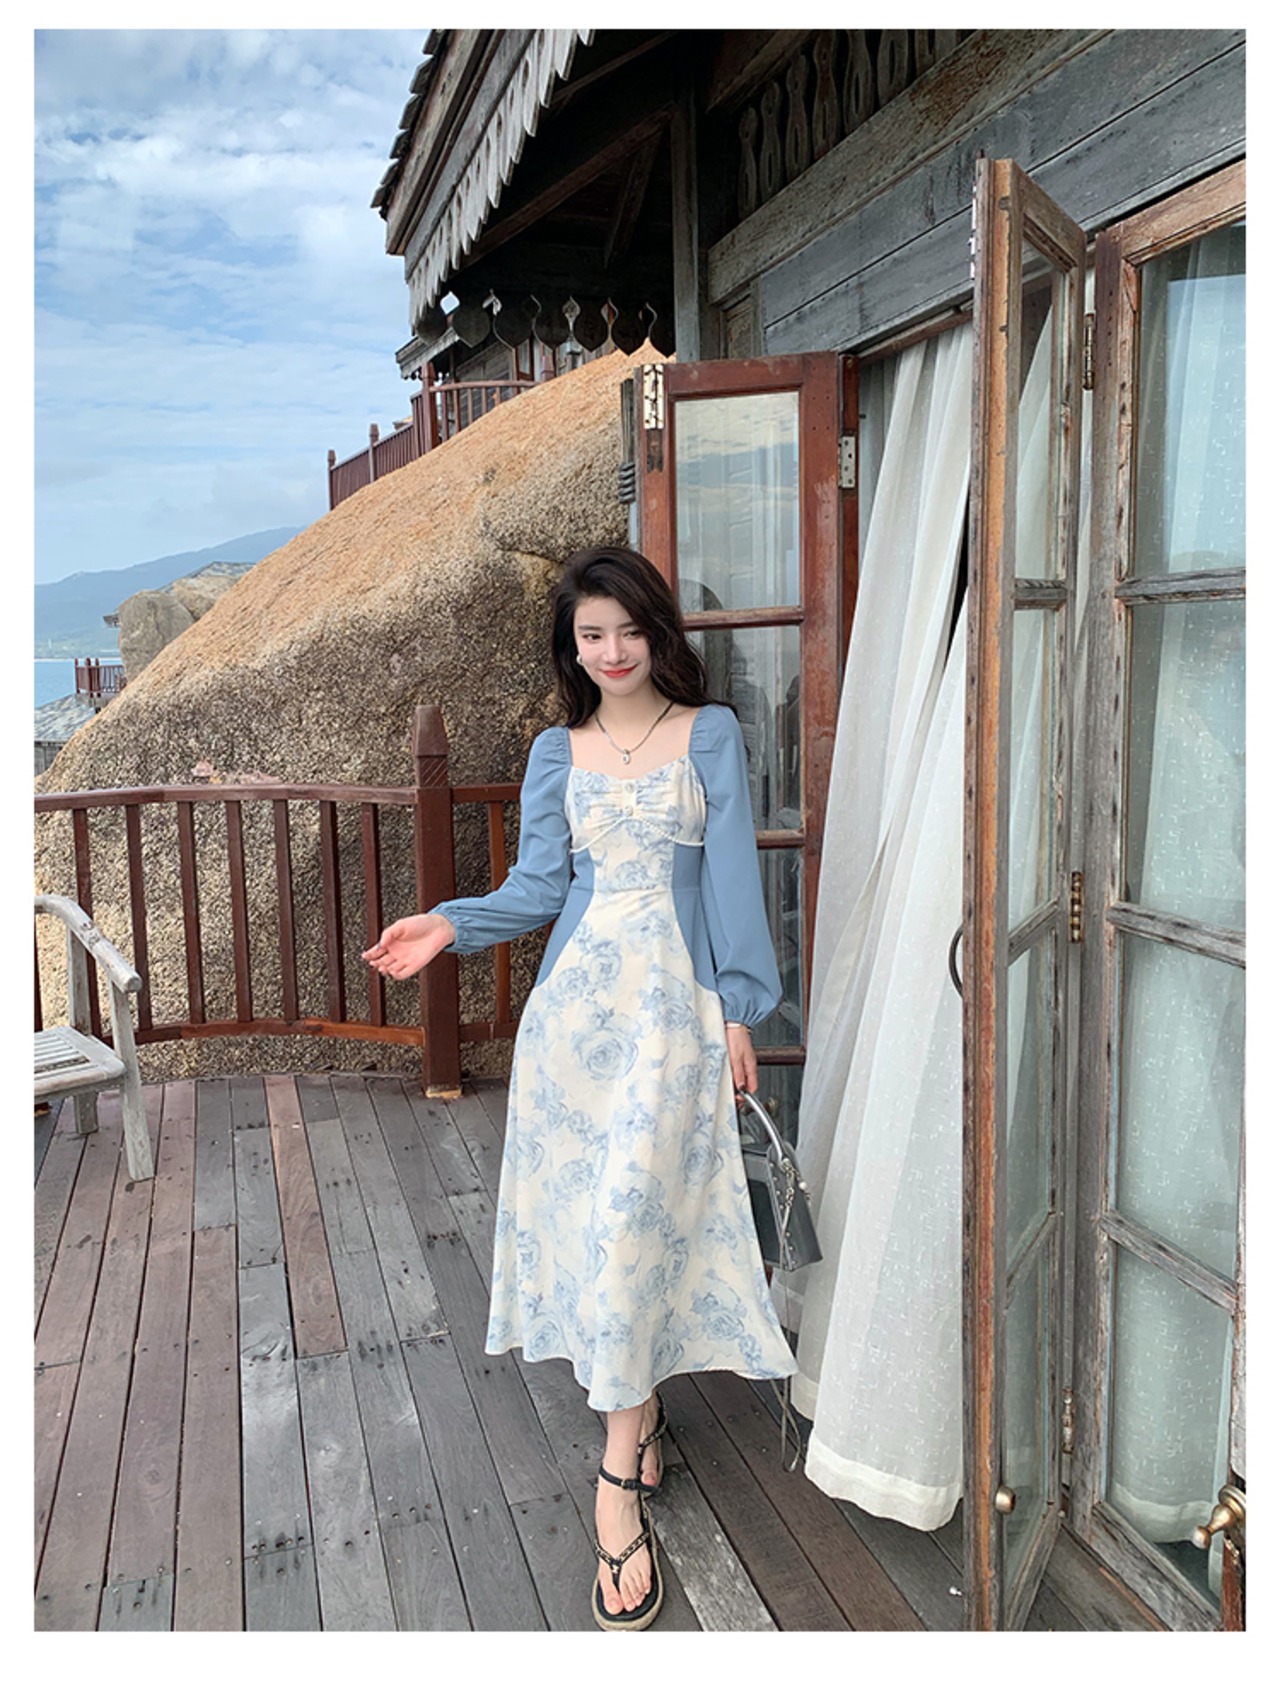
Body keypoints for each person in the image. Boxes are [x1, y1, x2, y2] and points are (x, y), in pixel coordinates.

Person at [364, 546, 795, 1630]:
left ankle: (614, 1481)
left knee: (635, 1220)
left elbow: (734, 885)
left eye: (627, 630)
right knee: (603, 1229)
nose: (610, 651)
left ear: (658, 632)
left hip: (673, 1018)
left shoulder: (710, 734)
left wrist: (740, 1009)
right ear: (572, 646)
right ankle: (638, 1424)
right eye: (589, 635)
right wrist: (448, 923)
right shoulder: (555, 752)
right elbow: (538, 887)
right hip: (573, 1027)